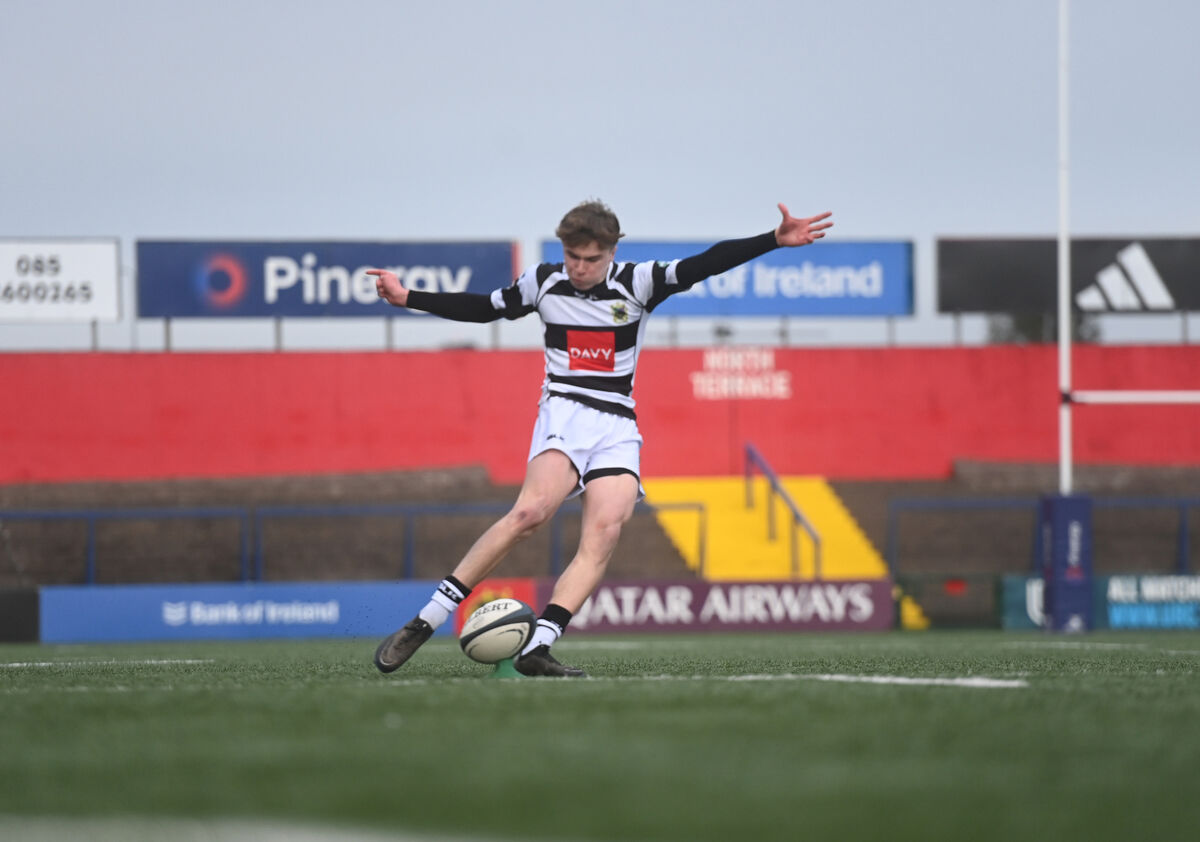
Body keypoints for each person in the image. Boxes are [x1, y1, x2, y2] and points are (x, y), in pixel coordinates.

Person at [367, 201, 833, 677]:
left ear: (612, 252)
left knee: (606, 531)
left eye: (591, 258)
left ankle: (539, 646)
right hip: (564, 411)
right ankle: (427, 620)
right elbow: (485, 308)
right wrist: (409, 298)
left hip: (617, 426)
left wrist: (771, 240)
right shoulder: (544, 282)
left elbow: (705, 263)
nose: (580, 267)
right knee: (530, 513)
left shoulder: (638, 283)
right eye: (573, 256)